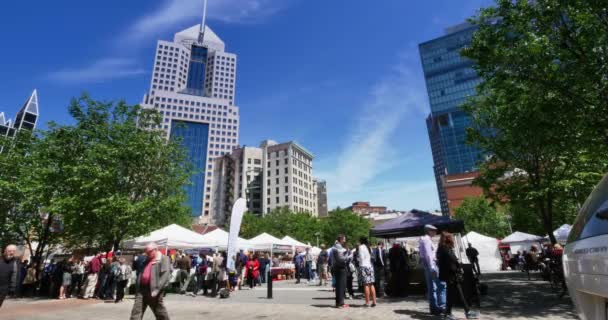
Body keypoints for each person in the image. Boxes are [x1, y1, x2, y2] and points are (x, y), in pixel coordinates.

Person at [437, 232, 479, 319]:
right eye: (451, 238)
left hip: (450, 275)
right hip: (451, 275)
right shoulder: (445, 249)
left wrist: (458, 265)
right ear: (448, 239)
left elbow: (451, 261)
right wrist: (459, 267)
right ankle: (465, 312)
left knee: (453, 294)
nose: (453, 240)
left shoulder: (443, 248)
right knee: (457, 294)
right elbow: (452, 261)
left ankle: (451, 313)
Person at [130, 243, 171, 320]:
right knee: (136, 311)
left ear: (156, 249)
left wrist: (157, 289)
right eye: (146, 251)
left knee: (160, 312)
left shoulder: (164, 258)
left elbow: (165, 275)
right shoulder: (146, 259)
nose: (147, 253)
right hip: (142, 289)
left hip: (154, 290)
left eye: (149, 251)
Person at [419, 224, 446, 316]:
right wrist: (433, 267)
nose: (435, 232)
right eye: (434, 230)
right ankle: (442, 306)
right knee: (441, 286)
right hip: (432, 266)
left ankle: (434, 308)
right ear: (429, 231)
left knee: (432, 287)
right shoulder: (426, 239)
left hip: (428, 266)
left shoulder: (424, 239)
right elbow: (429, 255)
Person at [331, 234, 352, 309]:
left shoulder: (336, 246)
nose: (345, 240)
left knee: (340, 286)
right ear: (341, 239)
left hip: (338, 268)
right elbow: (341, 258)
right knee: (341, 286)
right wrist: (349, 256)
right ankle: (340, 303)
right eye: (344, 239)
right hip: (340, 268)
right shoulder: (338, 247)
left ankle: (339, 303)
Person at [357, 237, 377, 308]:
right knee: (371, 284)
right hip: (370, 266)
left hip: (363, 266)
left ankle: (367, 302)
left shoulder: (360, 247)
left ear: (361, 241)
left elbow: (361, 258)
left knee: (366, 285)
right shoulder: (369, 247)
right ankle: (374, 301)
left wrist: (358, 259)